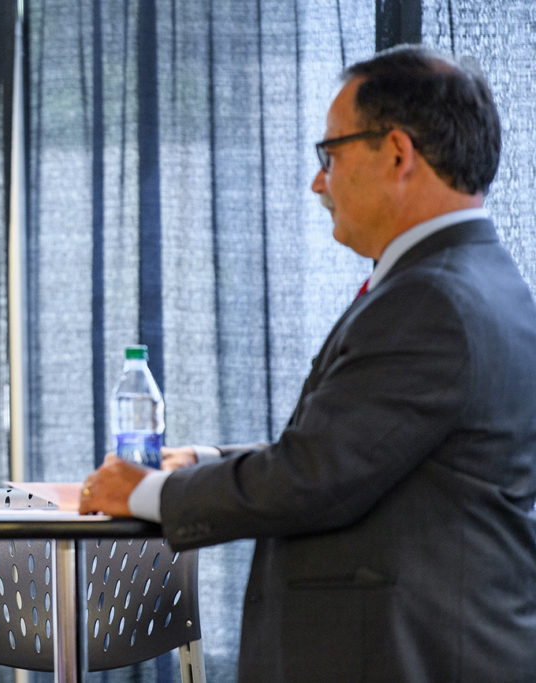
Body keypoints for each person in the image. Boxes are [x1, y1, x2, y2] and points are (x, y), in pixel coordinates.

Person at [80, 45, 536, 681]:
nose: (318, 182)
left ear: (398, 153)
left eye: (331, 154)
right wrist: (212, 461)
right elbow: (362, 447)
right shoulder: (478, 279)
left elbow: (315, 477)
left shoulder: (432, 299)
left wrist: (148, 491)